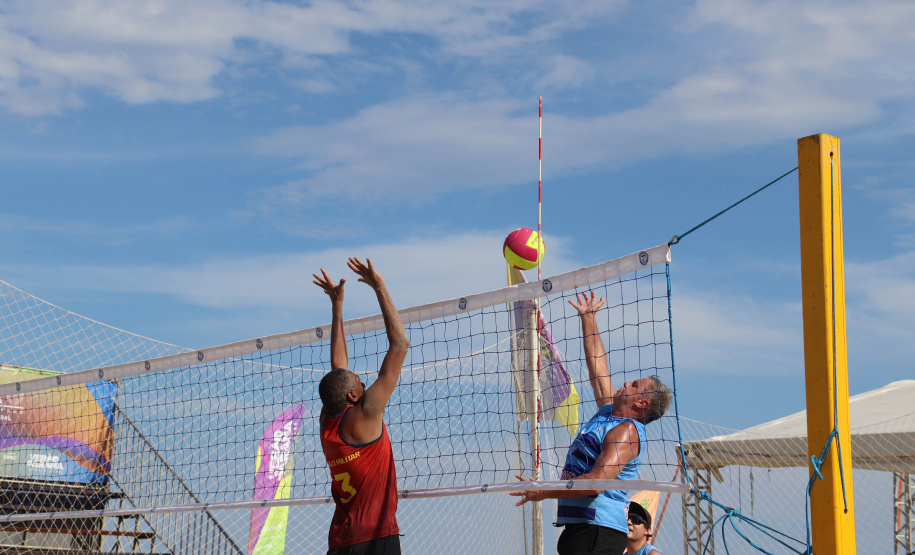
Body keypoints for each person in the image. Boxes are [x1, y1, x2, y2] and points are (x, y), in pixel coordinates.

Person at [511, 291, 672, 555]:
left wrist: (545, 491)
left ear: (642, 403)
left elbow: (597, 482)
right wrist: (588, 317)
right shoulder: (608, 413)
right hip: (582, 528)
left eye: (633, 385)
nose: (625, 383)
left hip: (599, 532)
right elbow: (597, 365)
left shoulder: (627, 431)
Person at [315, 258, 409, 555]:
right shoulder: (366, 414)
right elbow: (399, 346)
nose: (365, 383)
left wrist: (337, 306)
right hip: (375, 537)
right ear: (354, 397)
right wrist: (379, 286)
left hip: (341, 541)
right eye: (361, 383)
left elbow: (338, 370)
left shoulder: (327, 422)